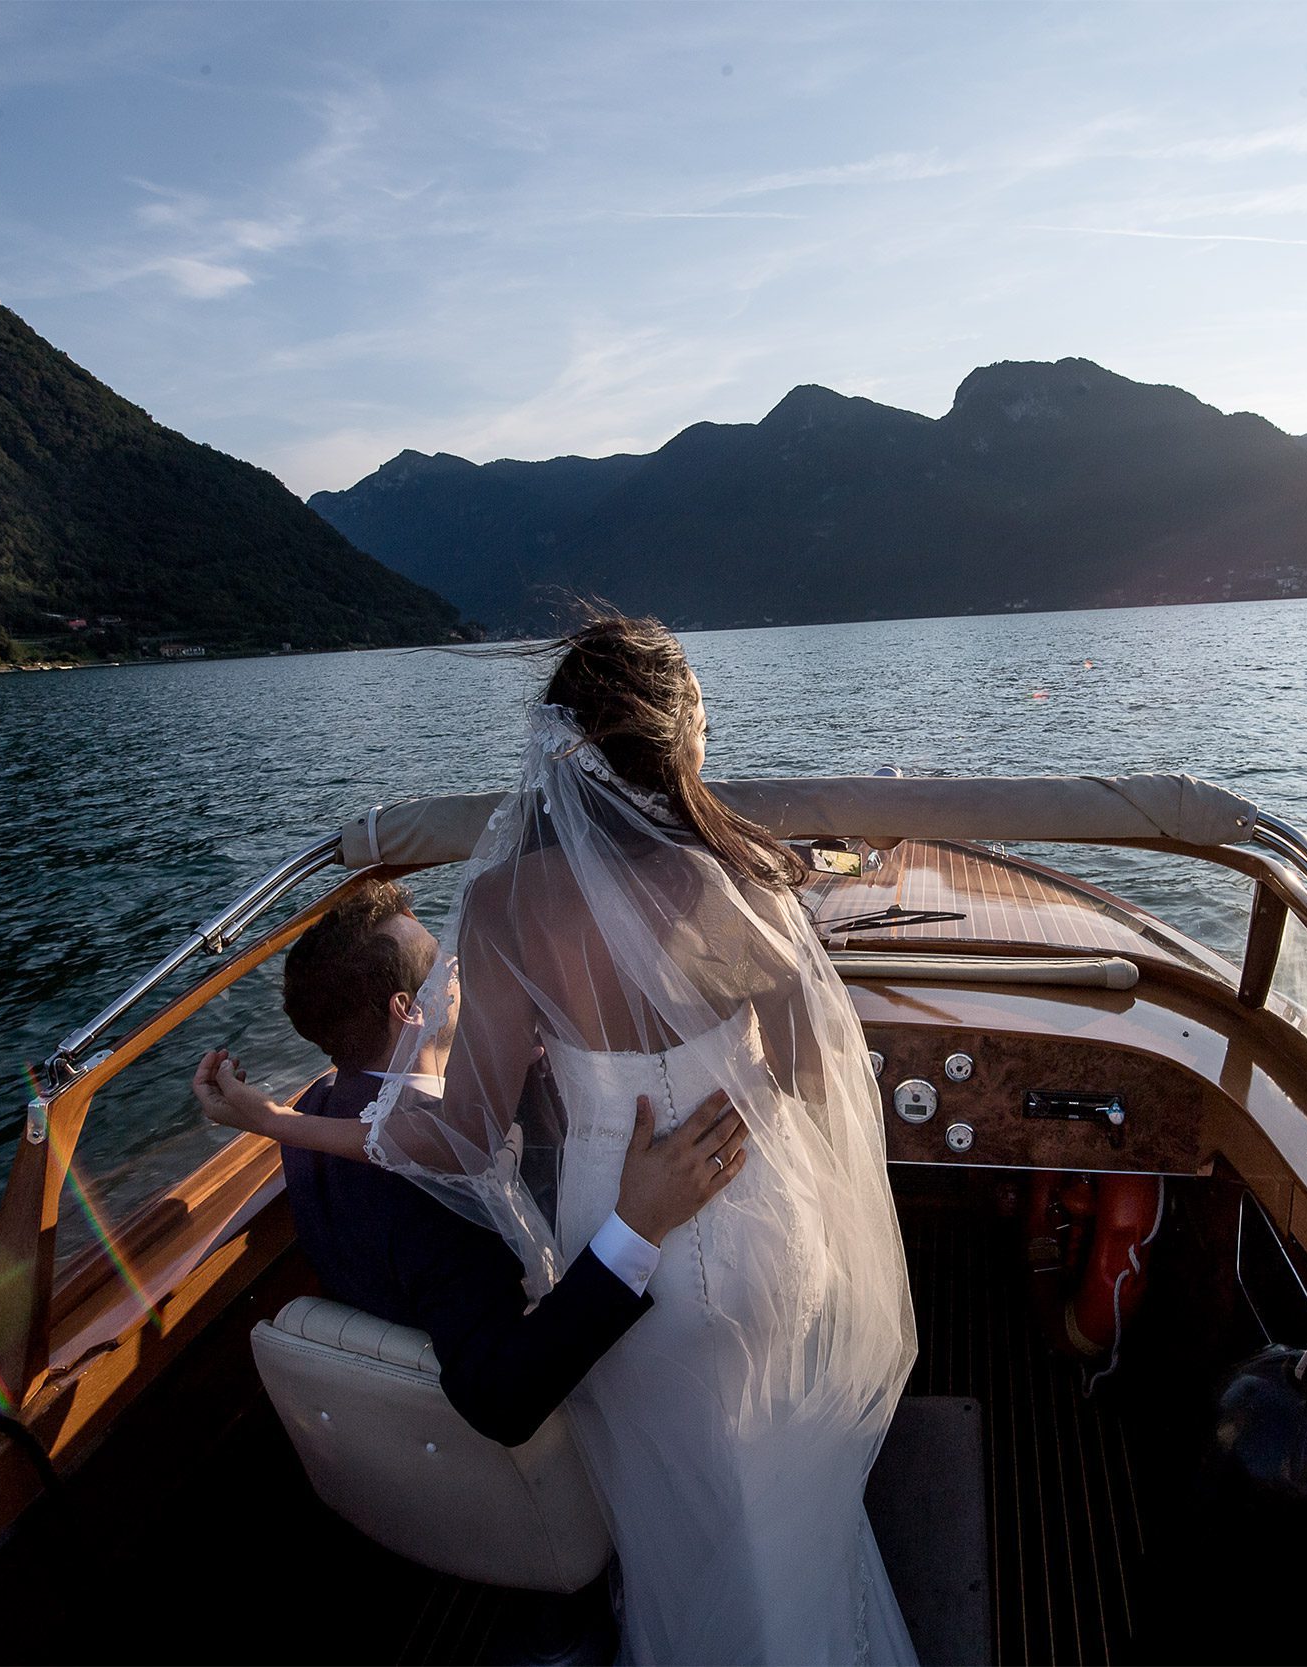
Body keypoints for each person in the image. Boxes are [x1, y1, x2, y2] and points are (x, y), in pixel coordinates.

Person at [361, 615, 920, 1665]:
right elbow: (808, 1075)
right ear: (676, 741)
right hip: (758, 1219)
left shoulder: (500, 903)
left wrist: (376, 1119)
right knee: (779, 1506)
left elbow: (470, 1127)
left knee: (682, 1521)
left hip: (623, 1243)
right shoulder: (738, 871)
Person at [191, 879, 747, 1447]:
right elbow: (501, 1398)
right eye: (440, 964)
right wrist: (639, 1222)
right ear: (408, 1010)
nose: (459, 968)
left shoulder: (310, 1115)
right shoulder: (430, 1191)